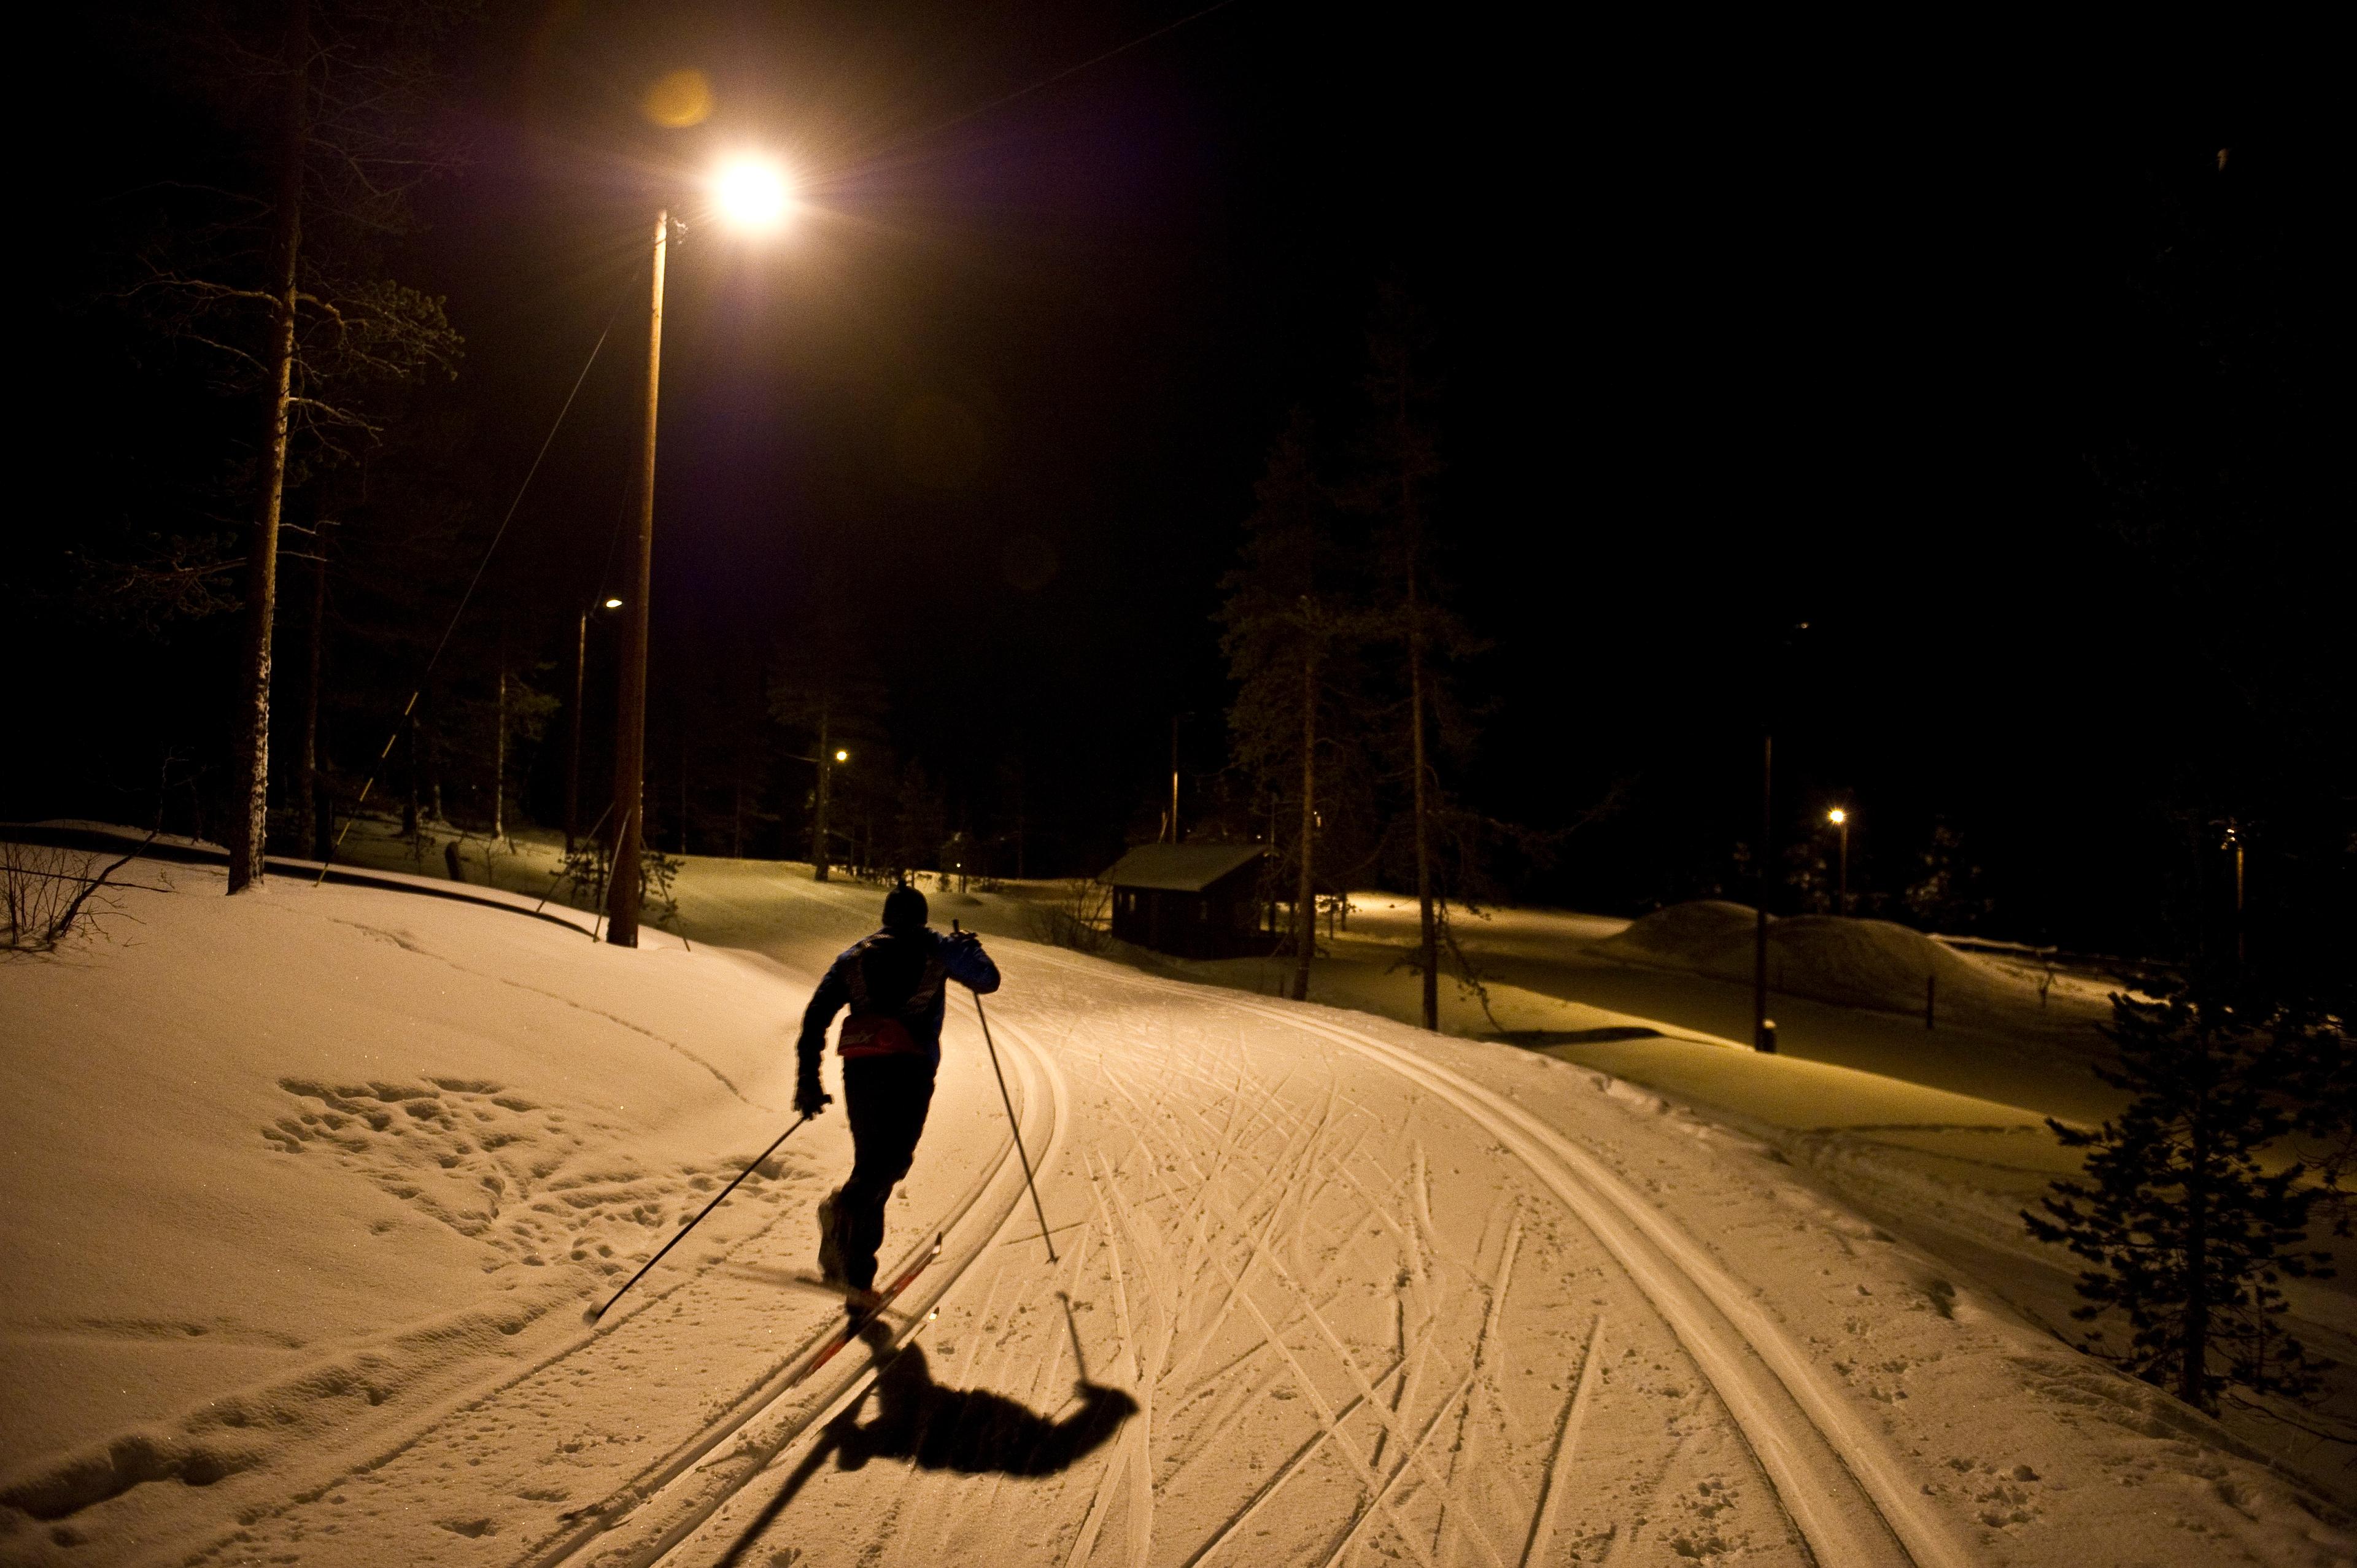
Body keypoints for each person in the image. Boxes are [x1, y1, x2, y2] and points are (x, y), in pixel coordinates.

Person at [796, 882, 999, 1313]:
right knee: (890, 1165)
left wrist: (808, 1081)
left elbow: (816, 1015)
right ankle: (843, 1210)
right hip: (910, 1069)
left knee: (872, 1164)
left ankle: (857, 1274)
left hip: (861, 1069)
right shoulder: (937, 948)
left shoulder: (855, 956)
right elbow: (987, 979)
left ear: (887, 916)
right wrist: (969, 947)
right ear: (922, 917)